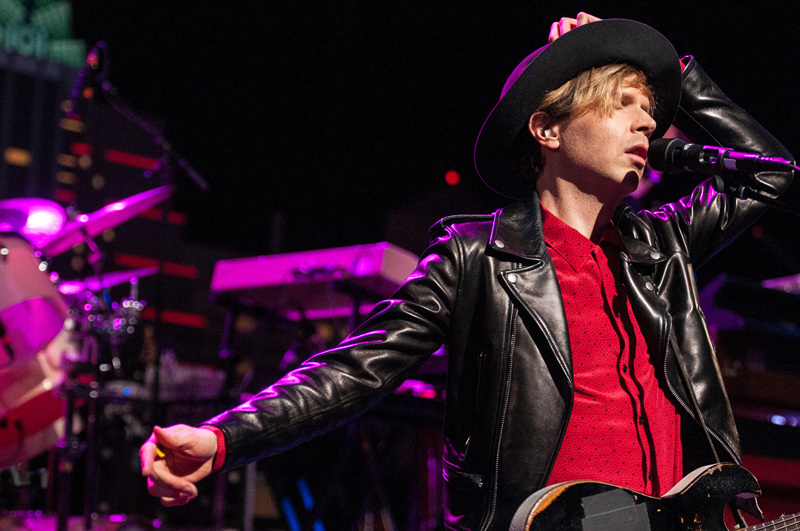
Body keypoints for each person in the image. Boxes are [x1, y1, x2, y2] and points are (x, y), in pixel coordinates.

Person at [140, 13, 793, 531]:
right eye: (623, 102)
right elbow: (353, 370)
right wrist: (222, 436)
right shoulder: (474, 255)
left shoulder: (661, 244)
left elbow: (769, 170)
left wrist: (673, 78)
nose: (647, 119)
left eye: (650, 109)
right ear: (546, 128)